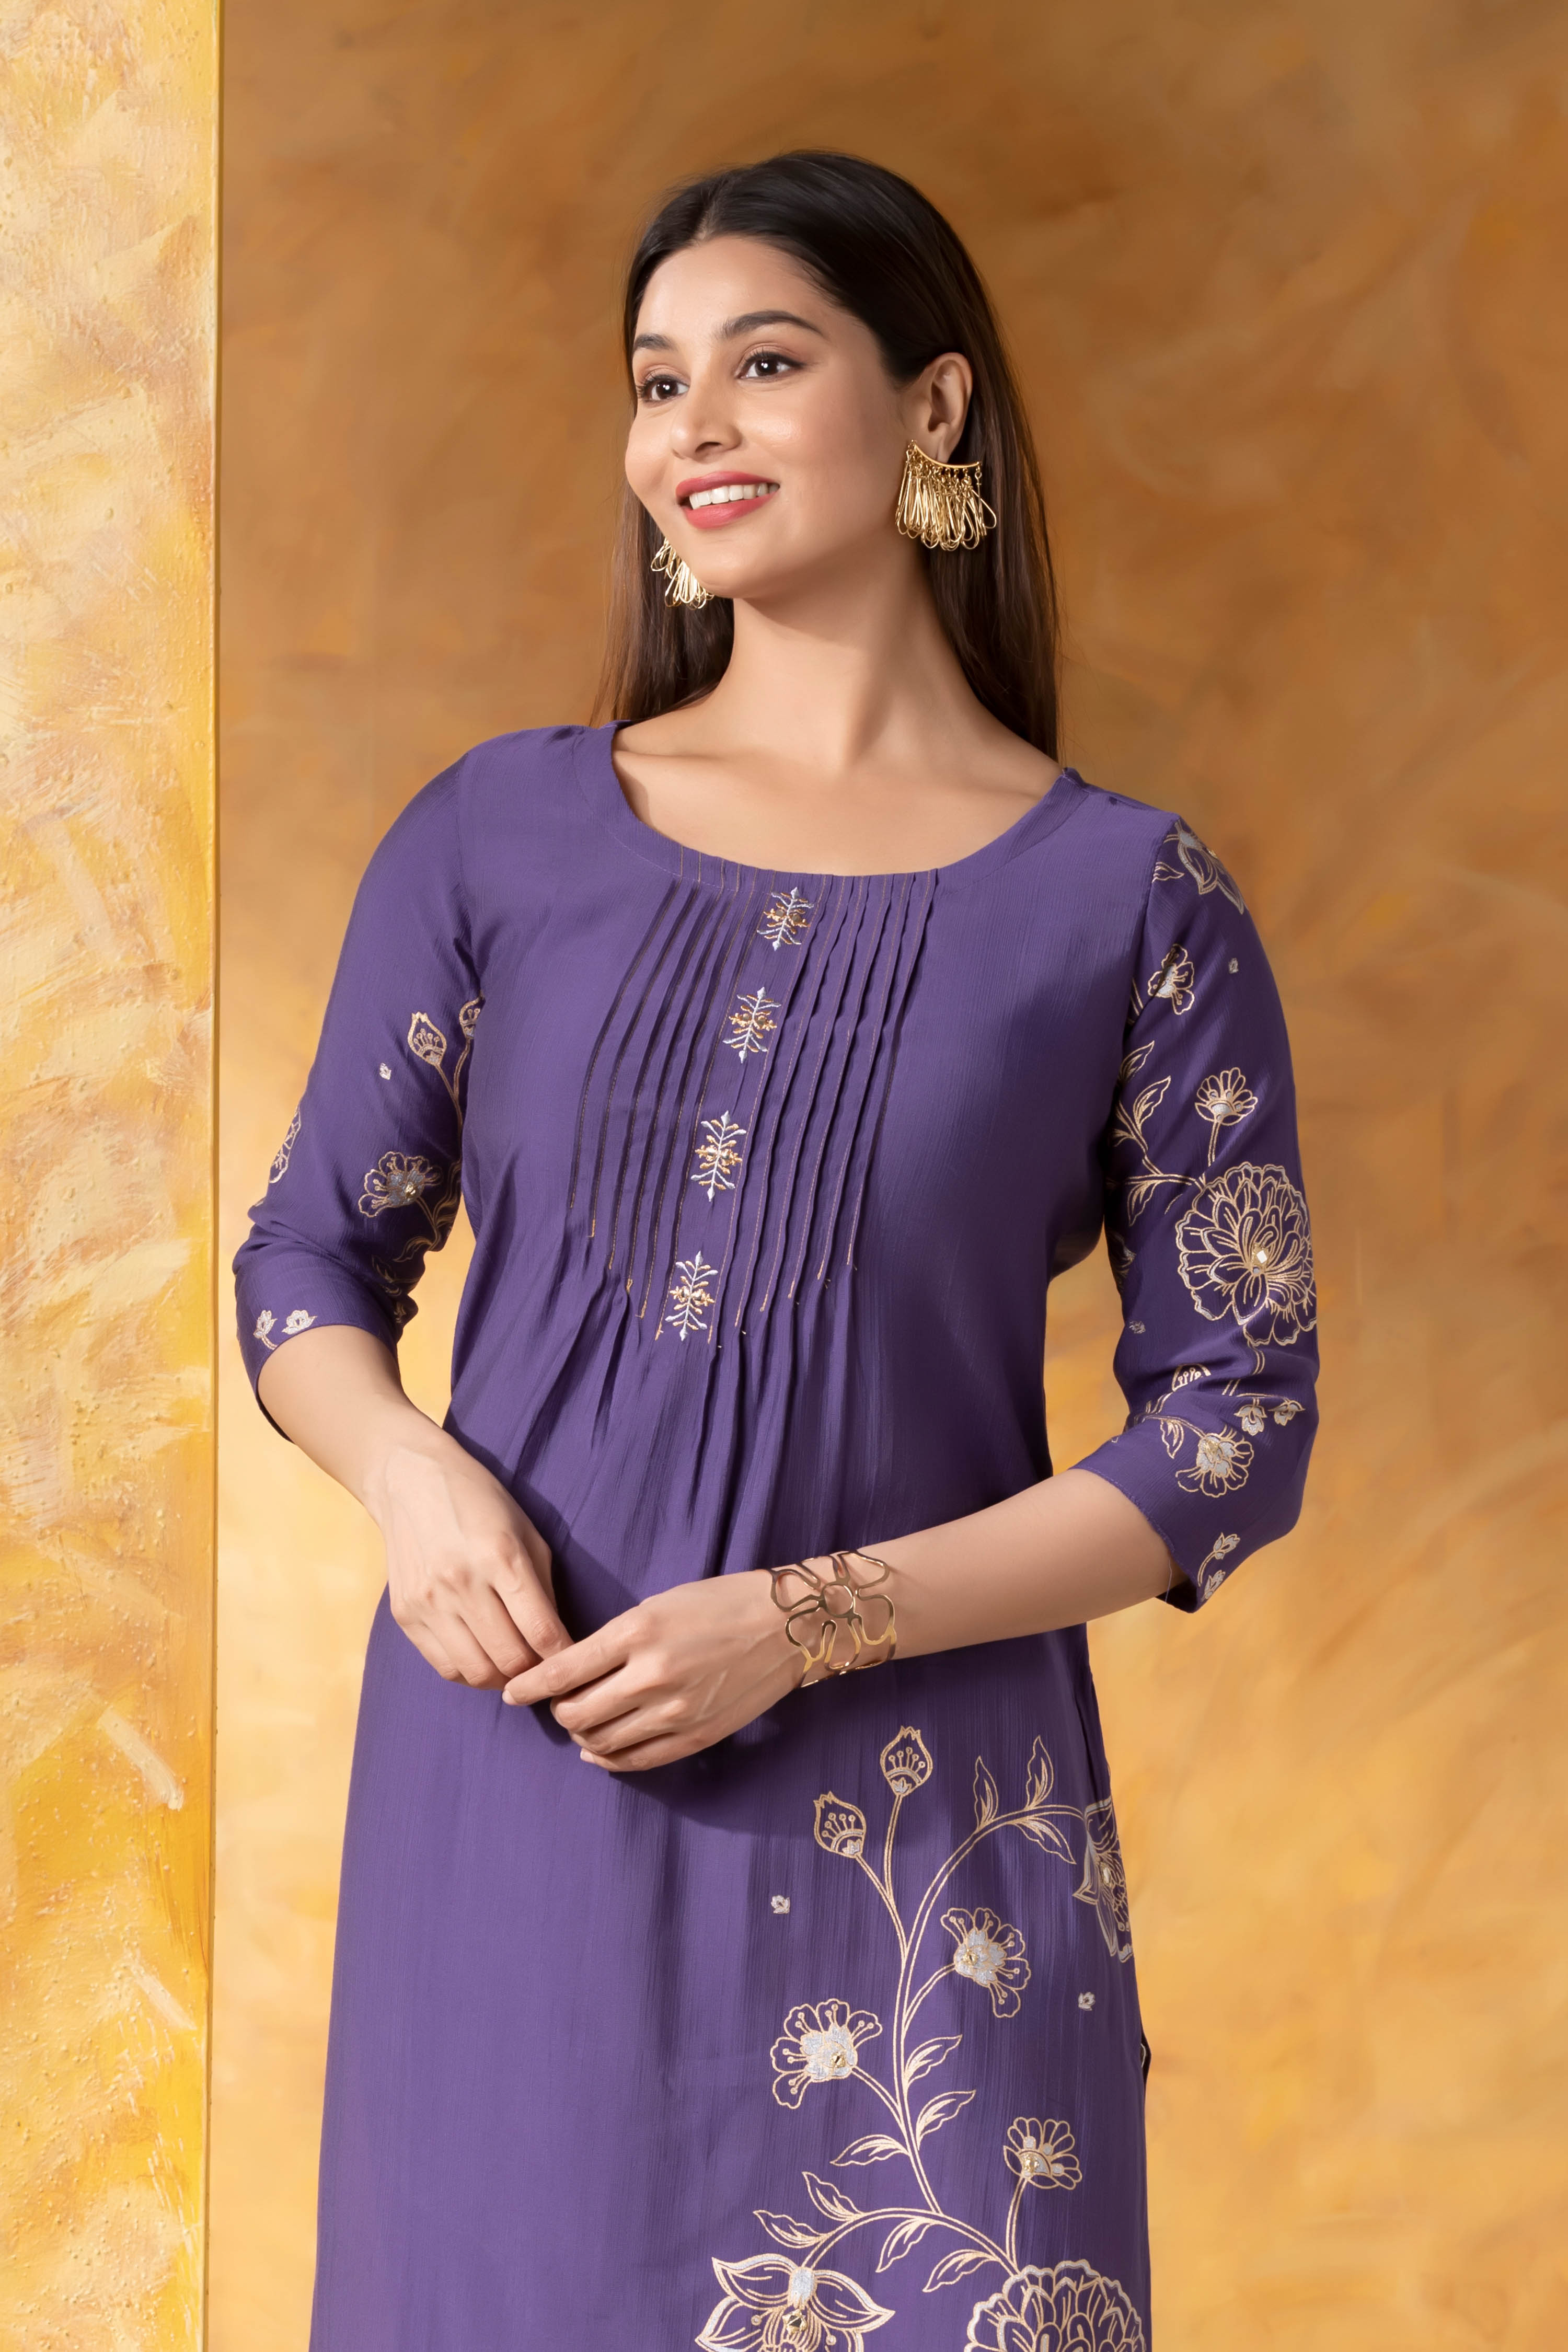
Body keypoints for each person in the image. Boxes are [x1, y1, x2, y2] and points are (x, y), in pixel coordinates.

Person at [236, 150, 1316, 2352]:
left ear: (934, 408)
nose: (691, 428)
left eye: (763, 362)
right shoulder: (497, 835)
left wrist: (810, 1620)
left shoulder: (1130, 906)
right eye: (656, 383)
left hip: (925, 1857)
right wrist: (411, 1478)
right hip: (521, 1807)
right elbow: (309, 1261)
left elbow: (1236, 1428)